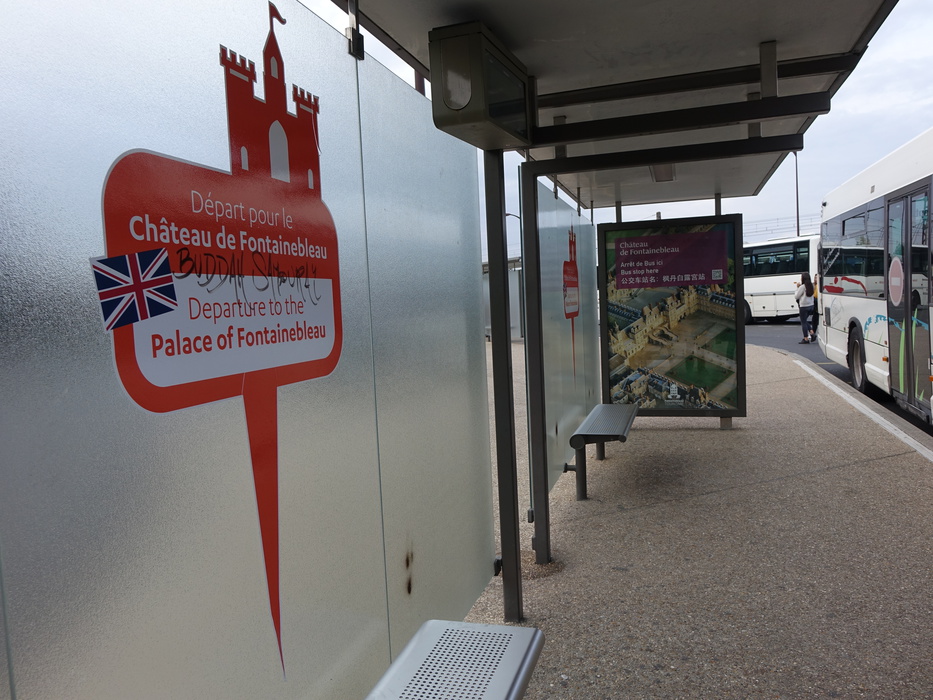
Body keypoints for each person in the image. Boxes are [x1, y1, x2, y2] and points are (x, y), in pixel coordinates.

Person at [795, 272, 815, 343]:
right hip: (811, 305)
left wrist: (797, 288)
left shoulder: (802, 287)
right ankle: (812, 332)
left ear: (803, 278)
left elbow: (796, 296)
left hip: (804, 306)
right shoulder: (812, 285)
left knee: (803, 322)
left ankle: (806, 338)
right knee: (805, 320)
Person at [809, 274, 820, 342]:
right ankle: (813, 334)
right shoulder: (814, 285)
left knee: (815, 320)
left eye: (817, 278)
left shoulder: (819, 285)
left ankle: (813, 334)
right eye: (815, 278)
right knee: (814, 321)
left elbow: (816, 295)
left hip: (817, 304)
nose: (816, 279)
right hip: (815, 304)